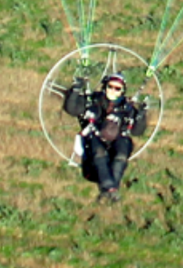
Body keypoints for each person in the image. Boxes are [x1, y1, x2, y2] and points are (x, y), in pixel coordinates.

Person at [63, 71, 147, 202]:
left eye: (117, 88)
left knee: (121, 154)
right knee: (99, 152)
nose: (113, 91)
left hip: (118, 140)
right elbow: (72, 109)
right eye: (110, 87)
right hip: (94, 139)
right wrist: (75, 90)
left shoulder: (127, 108)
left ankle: (110, 189)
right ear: (105, 86)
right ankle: (109, 188)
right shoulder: (93, 101)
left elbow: (137, 131)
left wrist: (141, 116)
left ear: (122, 91)